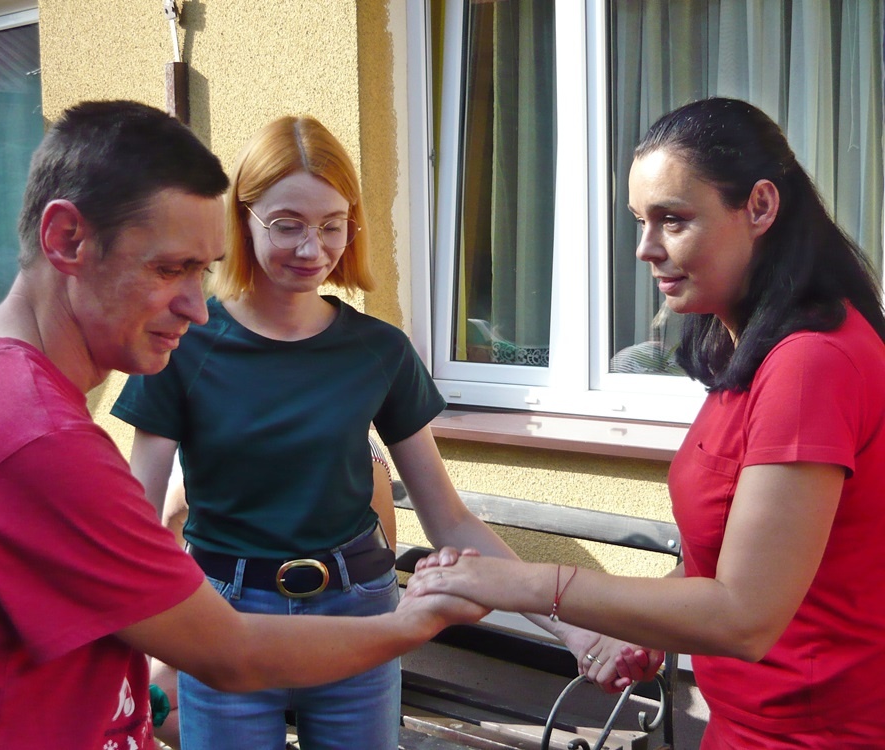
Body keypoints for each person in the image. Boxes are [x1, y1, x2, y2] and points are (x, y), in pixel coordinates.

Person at [0, 100, 489, 750]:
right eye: (169, 268)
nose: (198, 310)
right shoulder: (35, 438)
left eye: (202, 271)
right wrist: (413, 622)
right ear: (67, 239)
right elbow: (230, 652)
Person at [111, 114, 657, 750]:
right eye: (287, 224)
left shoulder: (378, 349)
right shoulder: (184, 345)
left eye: (331, 225)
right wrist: (143, 650)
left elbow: (449, 519)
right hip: (225, 616)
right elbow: (137, 525)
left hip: (359, 613)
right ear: (244, 218)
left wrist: (578, 631)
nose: (312, 249)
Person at [407, 97, 885, 747]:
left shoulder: (811, 363)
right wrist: (635, 628)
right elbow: (721, 558)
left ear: (760, 207)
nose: (645, 248)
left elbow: (745, 615)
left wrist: (524, 583)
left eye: (673, 220)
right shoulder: (753, 350)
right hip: (746, 724)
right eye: (640, 221)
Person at [148, 434, 396, 749]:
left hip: (326, 638)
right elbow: (172, 517)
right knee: (152, 692)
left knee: (159, 689)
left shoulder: (359, 454)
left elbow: (378, 561)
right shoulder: (234, 437)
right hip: (247, 630)